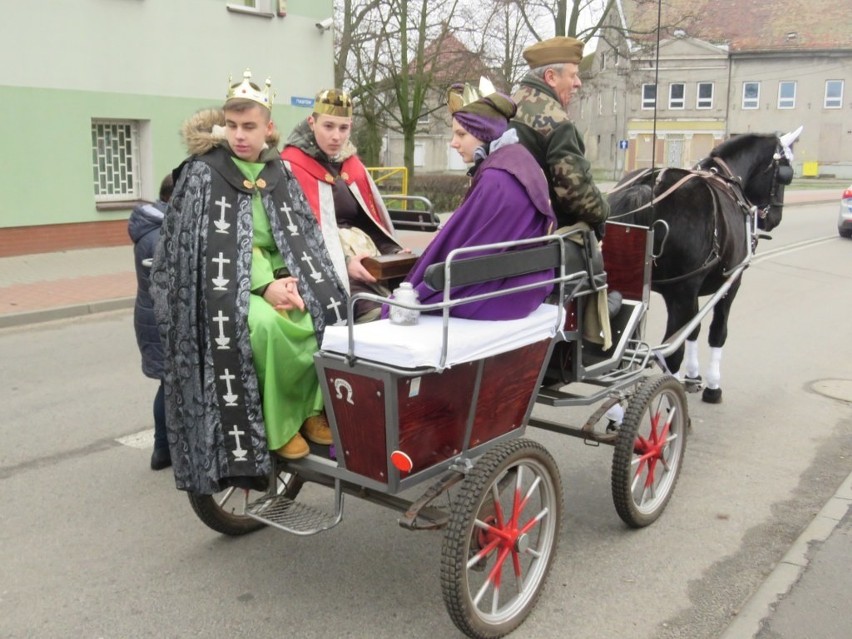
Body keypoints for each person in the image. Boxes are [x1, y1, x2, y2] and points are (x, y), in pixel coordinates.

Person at [150, 70, 349, 495]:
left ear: (268, 128)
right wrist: (263, 285)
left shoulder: (280, 173)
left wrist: (293, 278)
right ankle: (278, 430)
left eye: (250, 127)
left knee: (326, 310)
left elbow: (300, 234)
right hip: (224, 287)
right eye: (233, 126)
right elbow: (200, 249)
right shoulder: (204, 174)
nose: (240, 136)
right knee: (268, 328)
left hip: (282, 276)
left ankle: (313, 411)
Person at [394, 82, 556, 320]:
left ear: (486, 133)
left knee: (407, 300)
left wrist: (411, 290)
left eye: (461, 134)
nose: (453, 143)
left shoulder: (497, 180)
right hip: (527, 288)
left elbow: (454, 245)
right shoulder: (520, 160)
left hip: (501, 295)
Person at [281, 88, 406, 322]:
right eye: (328, 126)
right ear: (312, 123)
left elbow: (370, 222)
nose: (336, 137)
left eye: (343, 128)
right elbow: (294, 235)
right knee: (374, 314)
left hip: (366, 259)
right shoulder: (289, 166)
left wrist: (393, 252)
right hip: (320, 263)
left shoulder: (352, 165)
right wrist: (344, 262)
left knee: (411, 293)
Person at [510, 36, 610, 236]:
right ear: (551, 77)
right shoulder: (556, 123)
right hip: (543, 238)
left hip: (511, 227)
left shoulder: (510, 105)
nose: (578, 83)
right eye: (573, 76)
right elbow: (578, 197)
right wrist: (605, 209)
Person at [128, 173, 174, 471]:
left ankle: (164, 449)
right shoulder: (161, 234)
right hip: (161, 319)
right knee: (170, 384)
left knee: (168, 383)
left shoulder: (153, 225)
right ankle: (162, 449)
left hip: (149, 314)